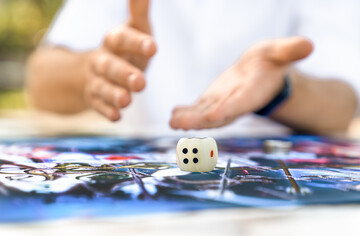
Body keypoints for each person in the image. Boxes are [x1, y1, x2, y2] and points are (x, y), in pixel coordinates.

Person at [26, 0, 360, 136]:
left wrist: (281, 87)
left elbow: (344, 105)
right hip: (141, 213)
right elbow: (40, 81)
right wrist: (91, 71)